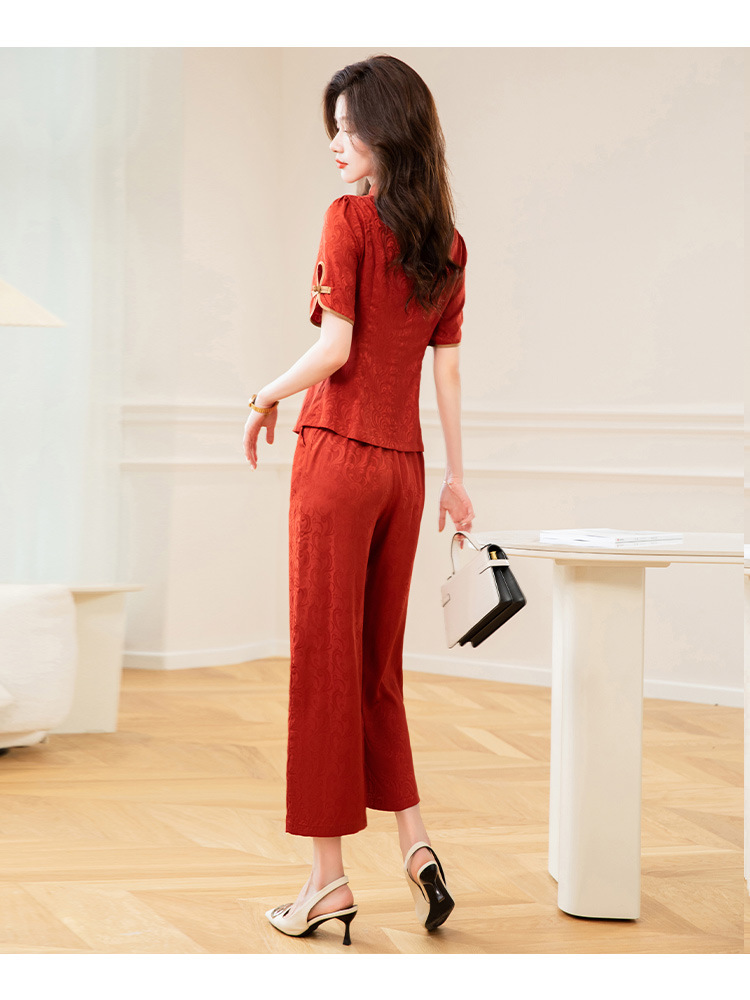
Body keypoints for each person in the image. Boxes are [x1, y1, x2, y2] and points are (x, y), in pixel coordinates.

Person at [243, 54, 475, 946]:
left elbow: (336, 349)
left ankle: (325, 882)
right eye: (333, 129)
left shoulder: (347, 220)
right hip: (406, 473)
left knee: (324, 666)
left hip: (338, 460)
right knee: (378, 667)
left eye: (350, 128)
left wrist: (264, 394)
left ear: (389, 131)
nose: (337, 145)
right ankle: (417, 847)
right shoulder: (448, 245)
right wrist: (457, 477)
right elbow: (446, 373)